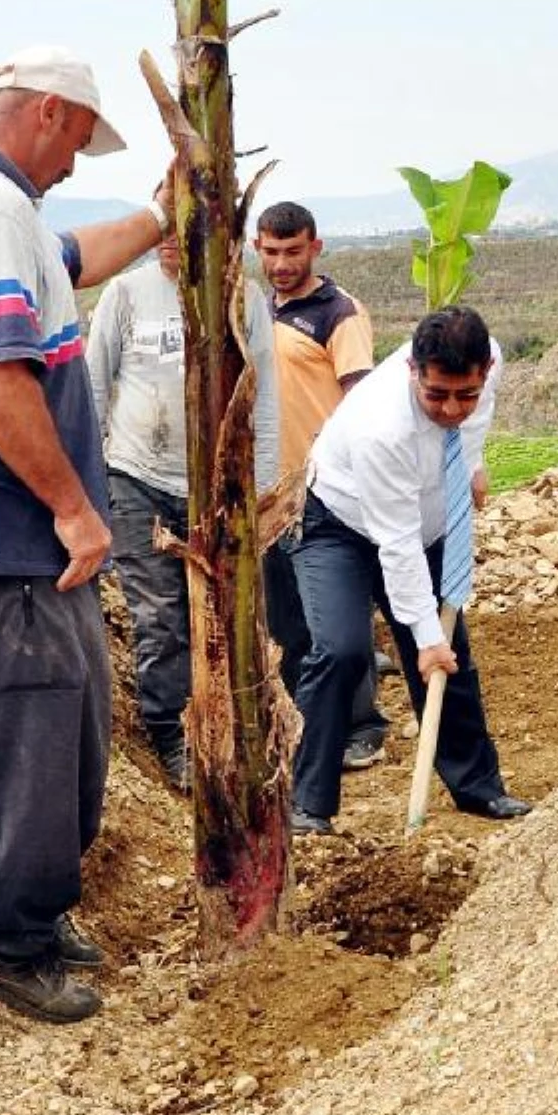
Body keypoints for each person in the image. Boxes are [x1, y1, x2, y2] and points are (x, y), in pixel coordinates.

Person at [0, 44, 176, 1027]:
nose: (70, 170)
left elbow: (77, 260)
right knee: (32, 748)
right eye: (75, 148)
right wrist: (71, 506)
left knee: (54, 735)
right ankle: (9, 944)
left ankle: (28, 914)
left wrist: (160, 213)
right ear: (47, 112)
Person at [288, 305, 532, 834]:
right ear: (412, 371)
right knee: (341, 650)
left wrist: (471, 462)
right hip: (339, 521)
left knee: (452, 655)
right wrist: (423, 638)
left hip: (426, 518)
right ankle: (308, 804)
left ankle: (478, 788)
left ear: (484, 371)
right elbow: (395, 546)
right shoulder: (382, 427)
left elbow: (475, 422)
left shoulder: (487, 361)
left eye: (464, 394)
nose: (451, 408)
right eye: (436, 395)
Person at [86, 233, 279, 790]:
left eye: (186, 225)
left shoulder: (243, 298)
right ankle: (173, 737)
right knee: (160, 620)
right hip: (135, 478)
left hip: (215, 486)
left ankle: (236, 728)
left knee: (222, 614)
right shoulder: (125, 295)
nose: (173, 240)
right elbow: (95, 387)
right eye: (163, 227)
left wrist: (260, 486)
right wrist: (91, 482)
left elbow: (261, 396)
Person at [253, 200, 392, 767]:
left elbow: (361, 398)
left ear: (315, 248)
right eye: (271, 252)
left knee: (336, 616)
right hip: (269, 489)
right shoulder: (258, 311)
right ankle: (307, 725)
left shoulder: (340, 313)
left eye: (293, 251)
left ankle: (361, 725)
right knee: (287, 617)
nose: (282, 263)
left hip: (324, 487)